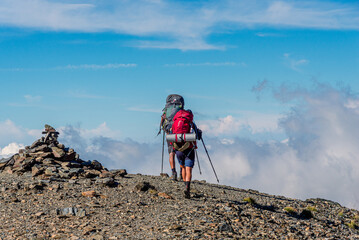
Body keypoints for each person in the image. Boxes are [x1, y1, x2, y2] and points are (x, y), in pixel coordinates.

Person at [171, 109, 196, 199]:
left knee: (183, 167)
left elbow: (171, 134)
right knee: (189, 169)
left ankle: (185, 185)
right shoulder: (191, 123)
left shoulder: (175, 123)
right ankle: (187, 187)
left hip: (178, 150)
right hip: (189, 149)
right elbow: (196, 135)